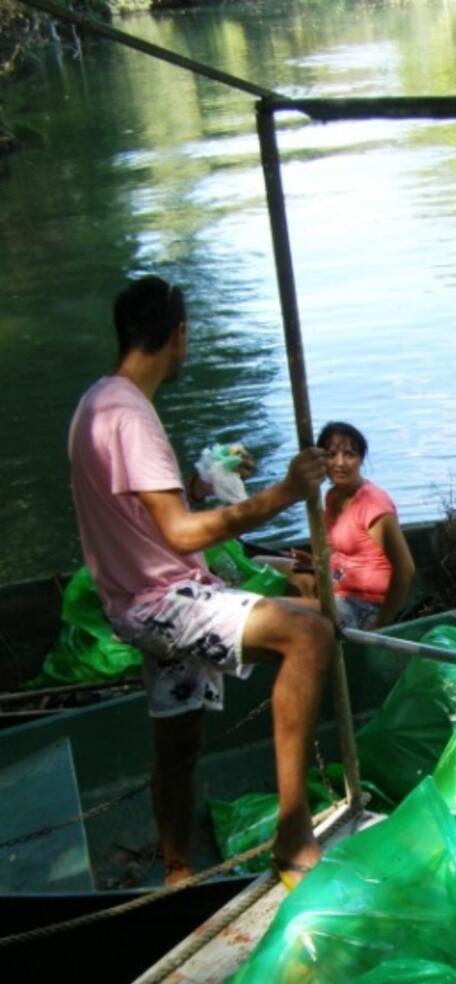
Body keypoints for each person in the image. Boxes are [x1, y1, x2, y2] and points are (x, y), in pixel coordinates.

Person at [68, 275, 332, 889]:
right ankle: (294, 834)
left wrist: (198, 485)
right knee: (309, 634)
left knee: (179, 741)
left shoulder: (97, 403)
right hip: (161, 600)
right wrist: (285, 493)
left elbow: (150, 515)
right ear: (177, 336)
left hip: (136, 597)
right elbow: (184, 536)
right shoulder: (131, 416)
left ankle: (177, 870)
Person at [318, 420, 415, 630]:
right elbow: (347, 553)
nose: (340, 463)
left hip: (368, 606)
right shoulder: (332, 496)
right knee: (270, 567)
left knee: (288, 614)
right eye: (331, 455)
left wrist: (382, 624)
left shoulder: (373, 504)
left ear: (361, 460)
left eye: (350, 454)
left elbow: (405, 569)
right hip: (339, 589)